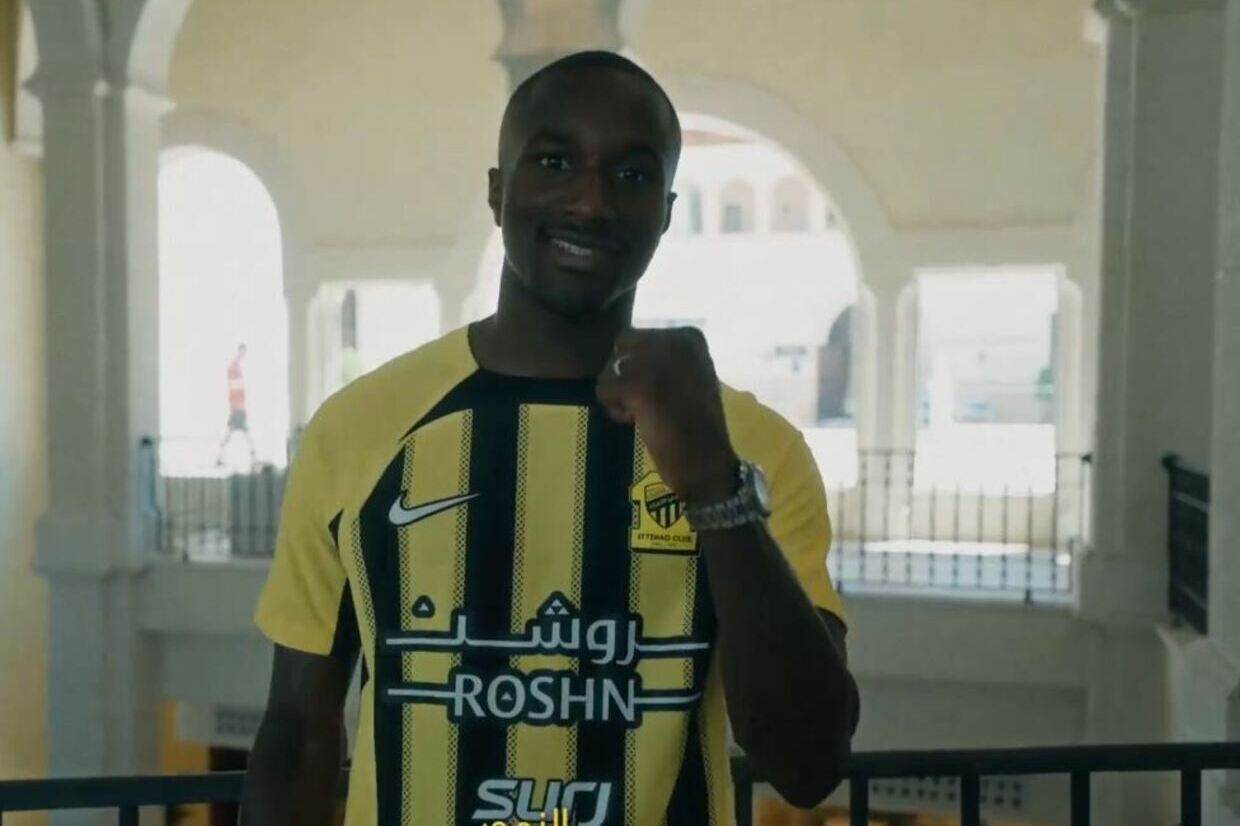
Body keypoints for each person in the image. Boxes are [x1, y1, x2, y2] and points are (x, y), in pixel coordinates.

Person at [241, 50, 859, 826]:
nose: (591, 202)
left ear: (665, 212)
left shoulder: (753, 450)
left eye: (631, 174)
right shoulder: (359, 429)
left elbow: (807, 764)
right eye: (556, 162)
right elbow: (298, 738)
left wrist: (715, 490)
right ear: (497, 191)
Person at [216, 342, 257, 468]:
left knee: (236, 433)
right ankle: (253, 458)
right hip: (237, 407)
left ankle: (220, 457)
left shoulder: (236, 366)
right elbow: (234, 385)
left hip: (238, 406)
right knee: (240, 433)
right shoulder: (234, 367)